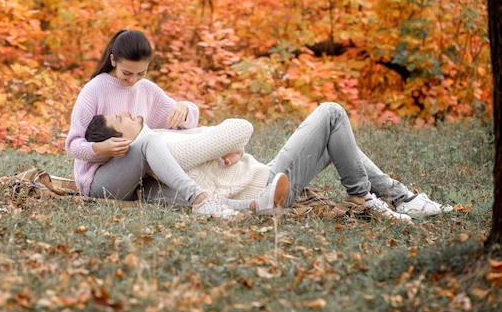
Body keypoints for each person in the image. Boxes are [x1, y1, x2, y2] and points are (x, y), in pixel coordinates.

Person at [87, 103, 455, 222]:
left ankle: (395, 195)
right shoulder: (156, 146)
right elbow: (239, 130)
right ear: (121, 140)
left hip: (267, 173)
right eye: (120, 118)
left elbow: (235, 129)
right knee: (330, 113)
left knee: (335, 136)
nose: (128, 111)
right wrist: (221, 145)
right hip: (270, 184)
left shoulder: (165, 139)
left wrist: (219, 144)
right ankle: (370, 198)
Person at [64, 29, 288, 218]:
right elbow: (72, 144)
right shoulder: (95, 89)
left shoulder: (147, 90)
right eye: (126, 73)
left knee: (164, 190)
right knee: (148, 143)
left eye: (141, 73)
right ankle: (199, 198)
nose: (132, 80)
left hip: (139, 179)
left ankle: (252, 206)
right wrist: (98, 148)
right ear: (113, 60)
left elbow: (182, 124)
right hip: (100, 181)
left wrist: (185, 107)